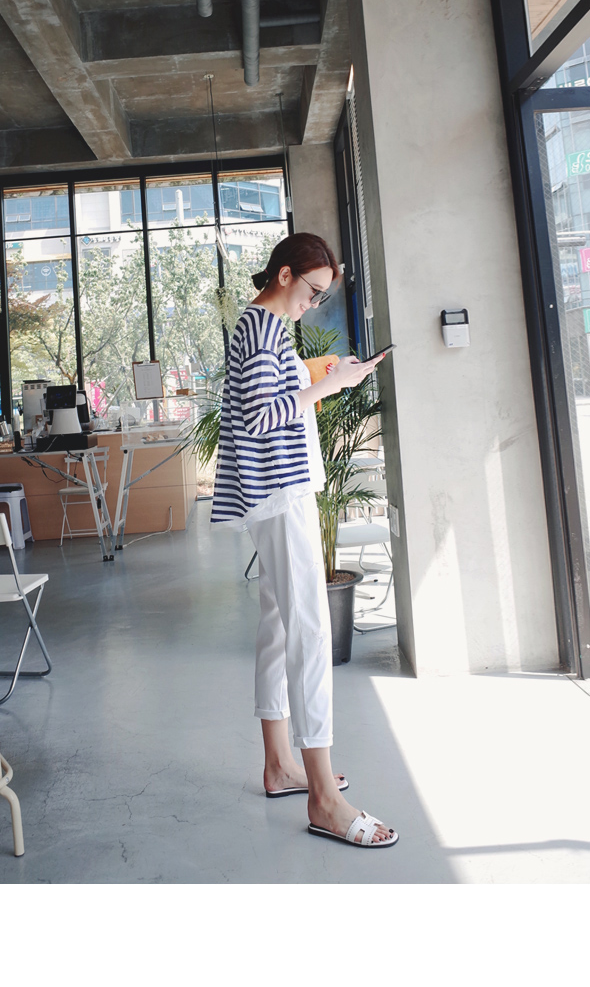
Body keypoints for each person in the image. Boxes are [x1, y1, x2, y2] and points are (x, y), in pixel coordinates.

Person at [211, 232, 398, 848]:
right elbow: (263, 417)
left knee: (279, 627)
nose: (312, 305)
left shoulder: (259, 326)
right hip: (280, 490)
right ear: (285, 274)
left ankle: (280, 765)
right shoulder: (263, 327)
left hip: (276, 489)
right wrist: (334, 384)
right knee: (311, 633)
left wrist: (327, 375)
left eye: (321, 297)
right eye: (312, 291)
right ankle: (324, 797)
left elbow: (272, 401)